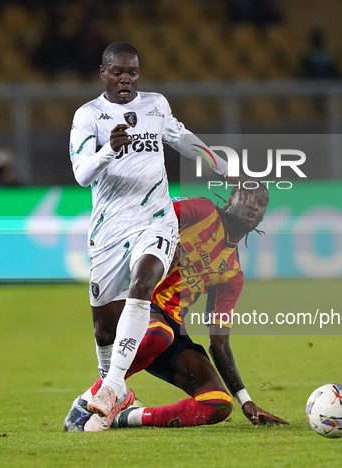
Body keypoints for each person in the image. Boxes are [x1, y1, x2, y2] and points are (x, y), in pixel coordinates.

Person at [68, 42, 229, 430]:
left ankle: (111, 387)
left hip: (154, 220)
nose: (126, 79)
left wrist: (219, 163)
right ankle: (114, 388)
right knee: (103, 328)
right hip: (108, 231)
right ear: (103, 73)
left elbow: (181, 137)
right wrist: (109, 149)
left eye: (132, 72)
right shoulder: (88, 116)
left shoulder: (156, 105)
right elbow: (81, 173)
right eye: (118, 72)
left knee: (143, 284)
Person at [65, 185, 288, 431]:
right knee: (161, 332)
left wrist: (245, 400)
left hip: (170, 327)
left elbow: (219, 343)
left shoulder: (232, 274)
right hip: (137, 302)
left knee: (217, 403)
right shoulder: (203, 211)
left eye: (261, 202)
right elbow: (149, 216)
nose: (254, 205)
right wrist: (165, 241)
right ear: (230, 198)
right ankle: (88, 401)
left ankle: (125, 416)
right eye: (247, 197)